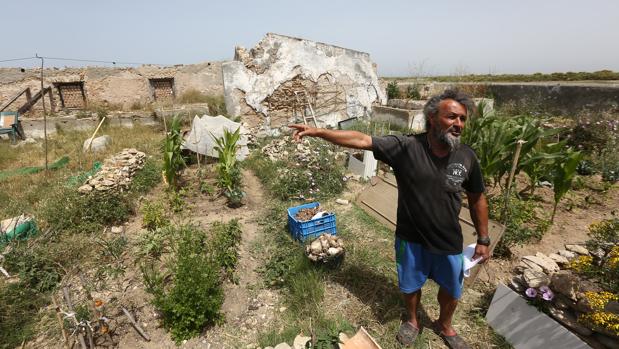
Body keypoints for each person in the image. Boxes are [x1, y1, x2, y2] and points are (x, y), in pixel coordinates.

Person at [289, 89, 490, 349]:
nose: (459, 124)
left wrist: (484, 238)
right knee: (410, 286)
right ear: (432, 118)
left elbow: (477, 198)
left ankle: (445, 324)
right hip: (411, 237)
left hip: (448, 239)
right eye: (452, 117)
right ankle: (413, 321)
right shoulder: (407, 147)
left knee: (452, 290)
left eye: (462, 119)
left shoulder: (467, 156)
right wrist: (318, 132)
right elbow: (362, 139)